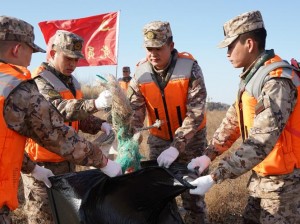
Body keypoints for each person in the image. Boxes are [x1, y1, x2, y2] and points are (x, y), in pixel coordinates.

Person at [0, 15, 121, 224]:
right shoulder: (26, 85)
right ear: (17, 49)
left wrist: (98, 123)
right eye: (68, 58)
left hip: (64, 163)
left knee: (66, 216)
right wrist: (102, 161)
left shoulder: (70, 82)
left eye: (76, 59)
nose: (73, 63)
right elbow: (55, 125)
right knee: (43, 218)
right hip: (46, 159)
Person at [187, 10, 300, 224]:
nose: (227, 53)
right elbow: (232, 122)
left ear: (249, 44)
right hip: (262, 179)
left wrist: (215, 176)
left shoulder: (276, 81)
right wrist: (207, 155)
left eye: (231, 46)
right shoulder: (253, 78)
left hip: (285, 188)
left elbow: (261, 140)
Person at [128, 21, 208, 223]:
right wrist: (128, 148)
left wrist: (177, 147)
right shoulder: (140, 74)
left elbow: (196, 113)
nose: (154, 53)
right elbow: (135, 117)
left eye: (159, 48)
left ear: (171, 46)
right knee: (160, 197)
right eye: (149, 49)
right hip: (158, 141)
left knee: (193, 197)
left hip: (191, 140)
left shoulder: (190, 69)